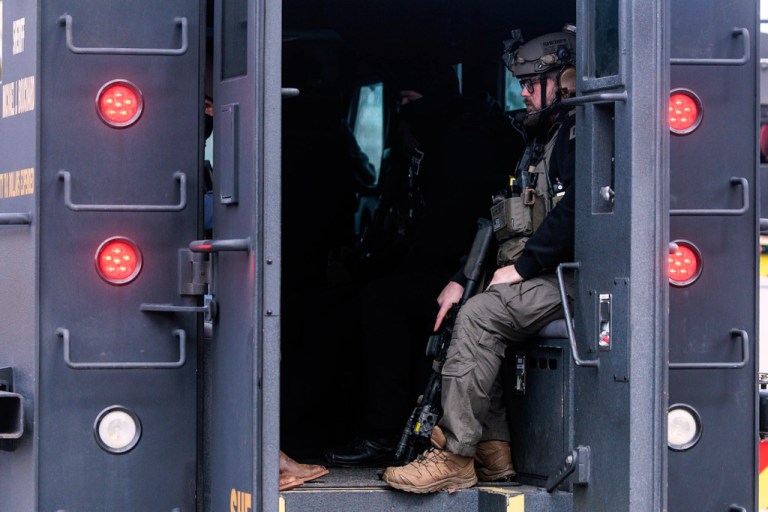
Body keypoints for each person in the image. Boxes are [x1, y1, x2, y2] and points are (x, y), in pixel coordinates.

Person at [381, 27, 578, 493]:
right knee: (462, 308)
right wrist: (461, 277)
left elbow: (577, 211)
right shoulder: (536, 140)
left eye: (532, 84)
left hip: (570, 278)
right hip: (540, 272)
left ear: (564, 82)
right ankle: (493, 451)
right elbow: (495, 218)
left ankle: (454, 454)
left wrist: (526, 266)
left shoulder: (577, 136)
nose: (524, 93)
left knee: (481, 316)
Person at [322, 65, 519, 467]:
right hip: (454, 265)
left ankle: (384, 431)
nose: (405, 112)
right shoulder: (440, 145)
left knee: (382, 302)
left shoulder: (464, 147)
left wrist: (459, 276)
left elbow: (459, 227)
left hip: (475, 271)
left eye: (411, 102)